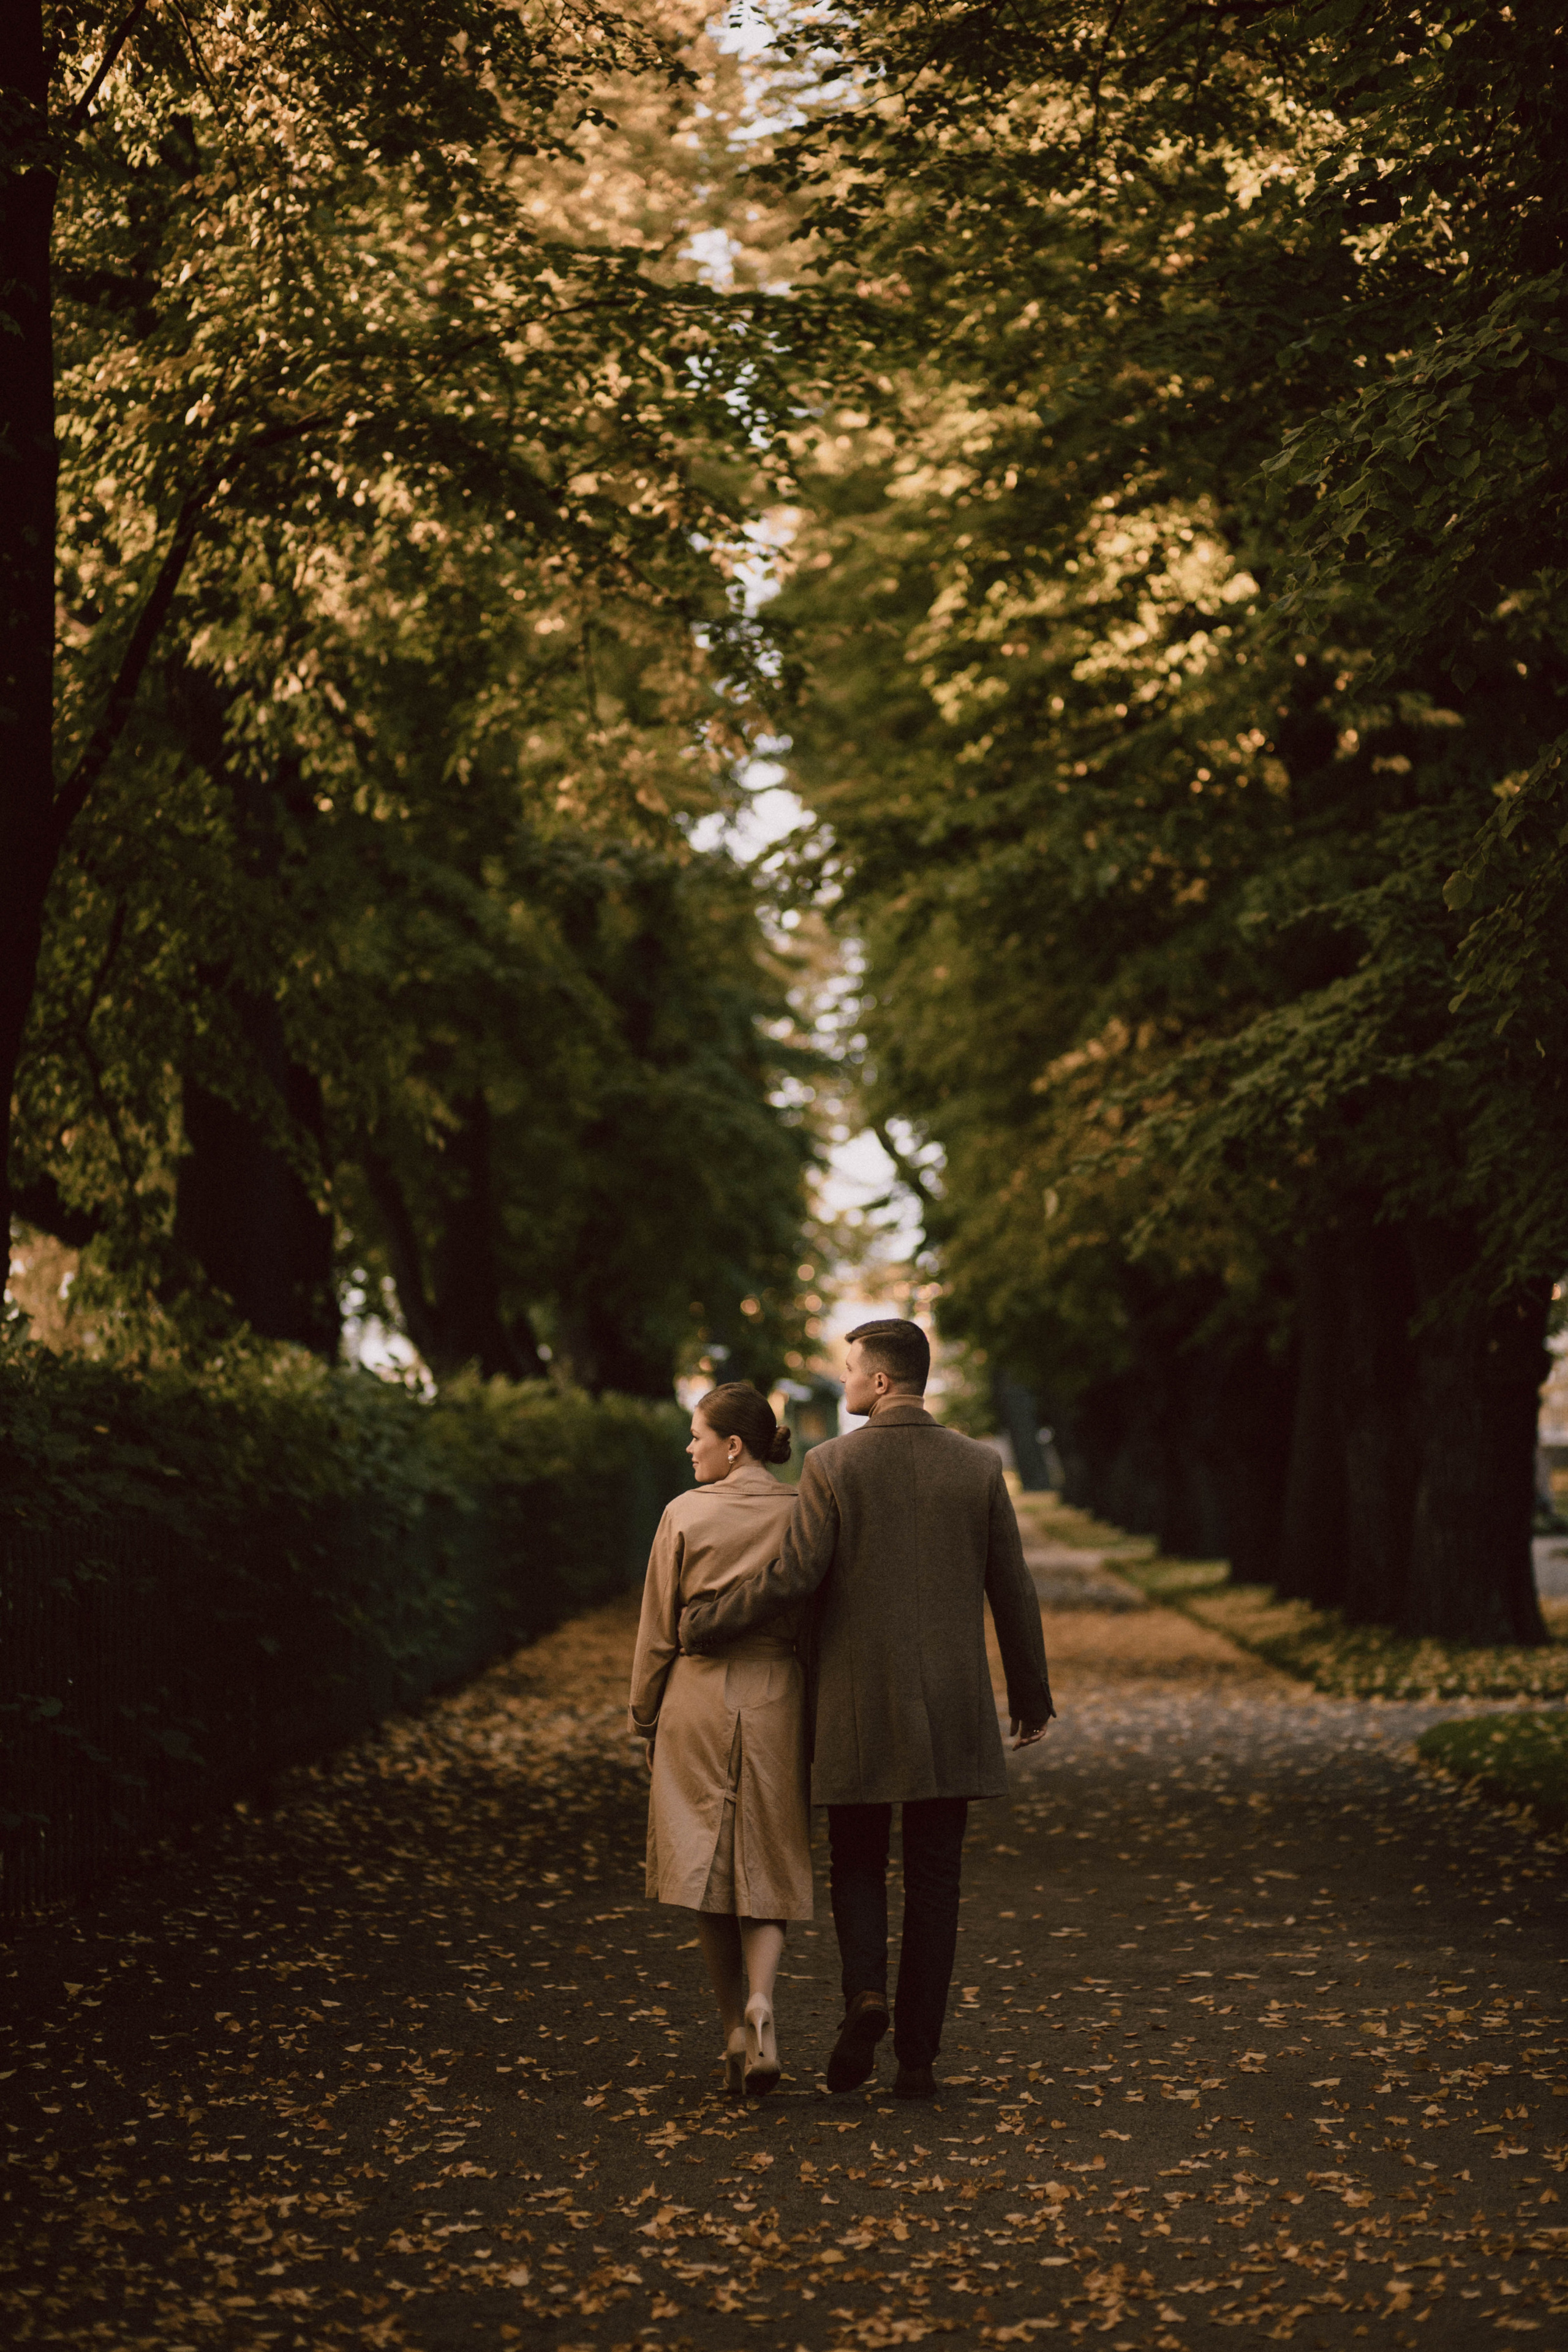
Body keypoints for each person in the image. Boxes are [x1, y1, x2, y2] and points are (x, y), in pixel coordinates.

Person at [679, 1318, 1054, 2100]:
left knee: (856, 1861)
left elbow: (792, 1576)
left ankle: (866, 1996)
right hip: (950, 1707)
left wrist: (709, 1620)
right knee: (935, 1879)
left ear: (881, 1382)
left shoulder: (832, 1465)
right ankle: (917, 2056)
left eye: (850, 1368)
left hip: (853, 1703)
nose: (843, 1378)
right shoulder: (978, 1467)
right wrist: (1029, 1696)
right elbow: (1011, 1589)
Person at [628, 1381, 812, 2098]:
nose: (689, 1447)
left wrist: (644, 1715)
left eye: (697, 1435)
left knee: (706, 1860)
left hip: (697, 1698)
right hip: (776, 1695)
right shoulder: (803, 1511)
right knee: (768, 1851)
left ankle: (734, 2026)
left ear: (732, 1446)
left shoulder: (684, 1514)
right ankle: (766, 2001)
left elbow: (656, 1631)